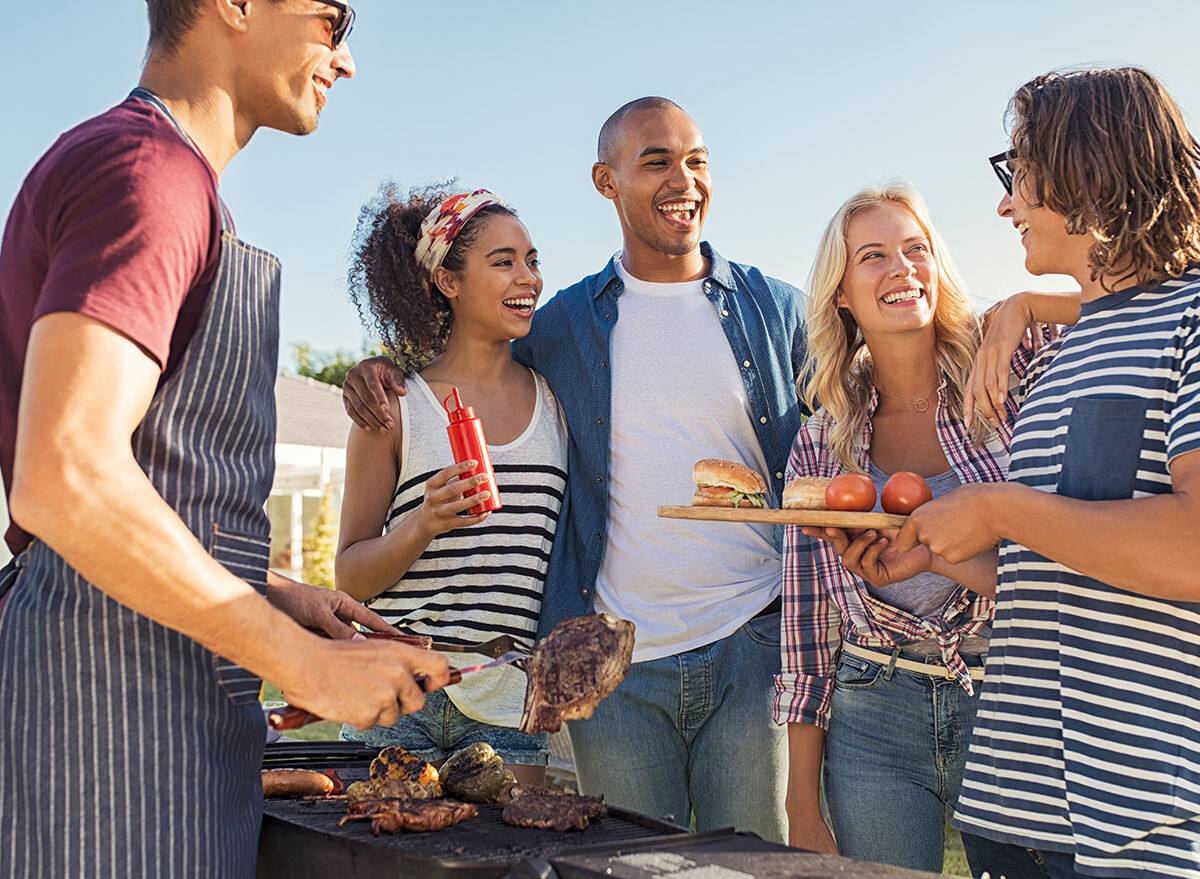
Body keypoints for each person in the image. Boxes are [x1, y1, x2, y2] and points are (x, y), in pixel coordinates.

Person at [0, 3, 449, 877]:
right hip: (111, 719)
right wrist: (305, 666)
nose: (345, 60)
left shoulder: (173, 182)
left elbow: (141, 474)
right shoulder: (147, 174)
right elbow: (64, 475)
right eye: (331, 17)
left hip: (161, 705)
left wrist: (273, 590)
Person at [341, 97, 806, 842]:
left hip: (715, 652)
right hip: (533, 674)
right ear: (606, 179)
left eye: (696, 159)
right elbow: (464, 363)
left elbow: (856, 398)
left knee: (742, 860)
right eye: (655, 159)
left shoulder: (768, 312)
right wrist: (377, 373)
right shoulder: (558, 328)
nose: (682, 178)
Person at [894, 67, 1200, 879]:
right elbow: (1061, 568)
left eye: (1017, 171)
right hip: (1012, 811)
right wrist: (937, 554)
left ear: (1087, 172)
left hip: (1143, 823)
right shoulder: (1060, 355)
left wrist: (999, 506)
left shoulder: (1195, 317)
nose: (1004, 203)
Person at [775, 183, 1073, 871]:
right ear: (841, 292)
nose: (901, 267)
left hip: (1011, 691)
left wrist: (1028, 305)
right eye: (873, 256)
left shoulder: (1015, 363)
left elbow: (1153, 297)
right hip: (872, 707)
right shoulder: (821, 443)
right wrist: (798, 800)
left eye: (917, 249)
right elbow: (807, 627)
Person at [335, 185, 567, 780]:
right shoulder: (393, 406)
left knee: (509, 869)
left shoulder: (560, 407)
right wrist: (424, 521)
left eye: (532, 260)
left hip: (505, 701)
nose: (528, 278)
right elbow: (351, 575)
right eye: (503, 262)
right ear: (448, 282)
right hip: (394, 695)